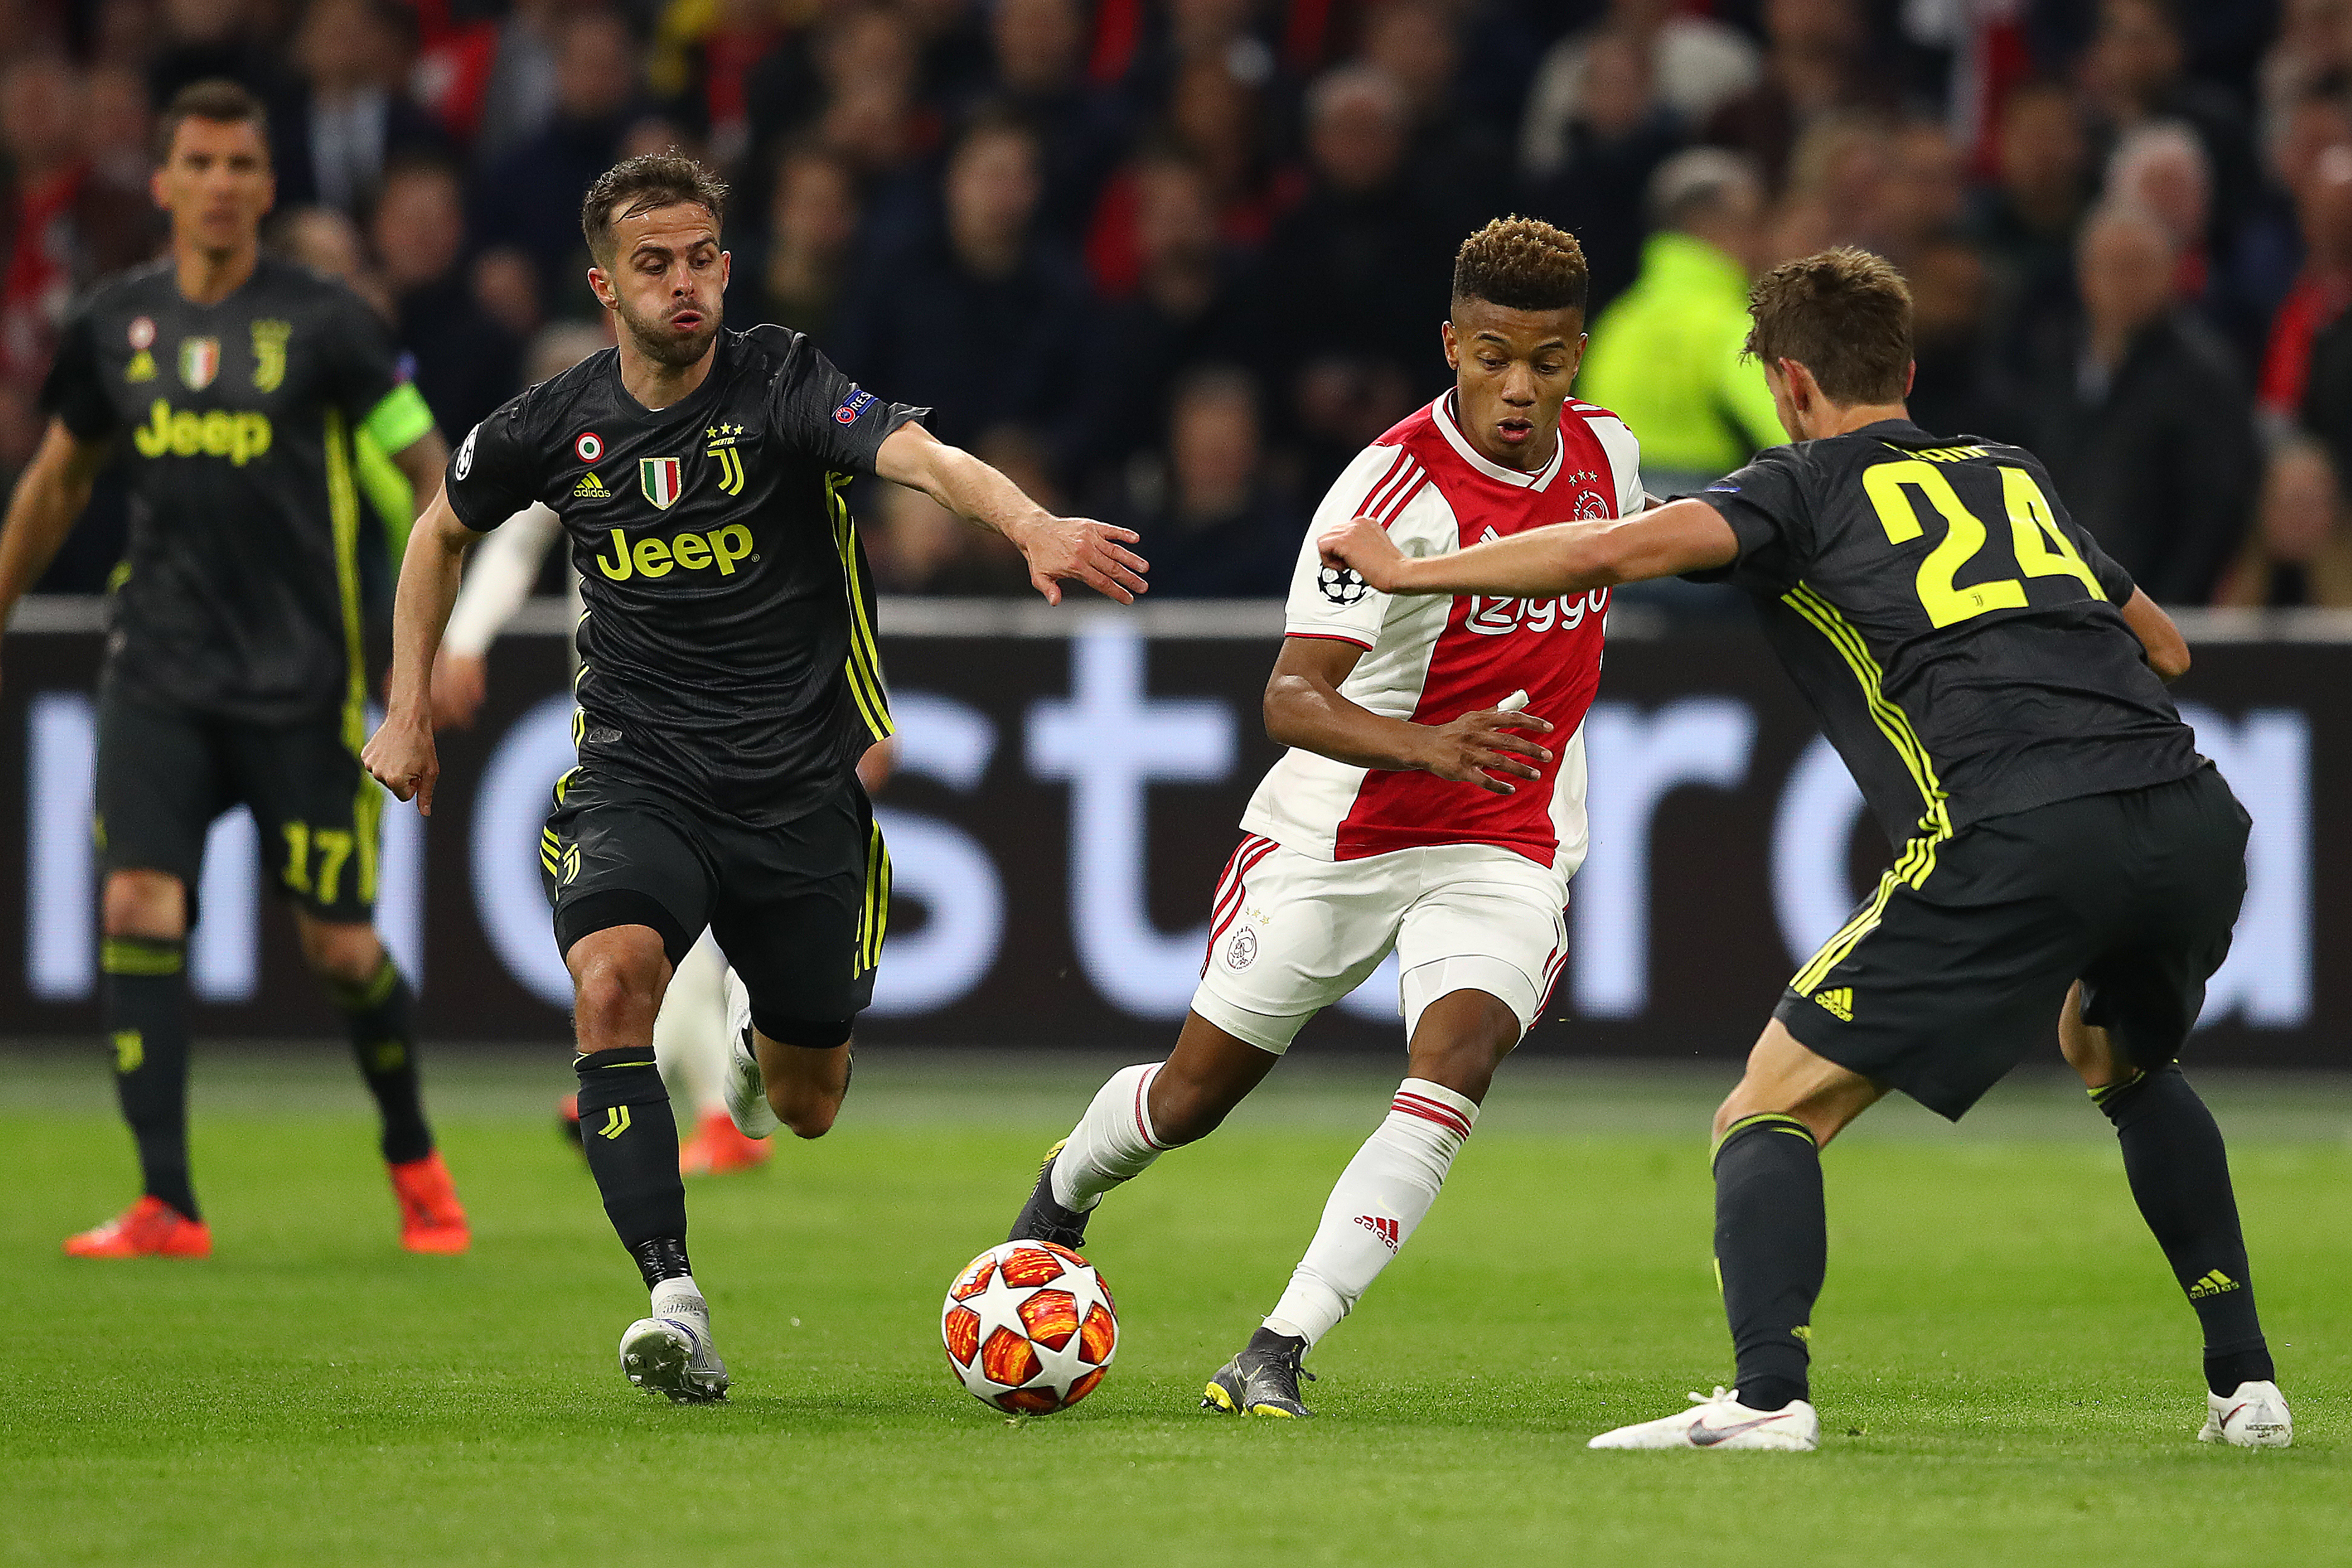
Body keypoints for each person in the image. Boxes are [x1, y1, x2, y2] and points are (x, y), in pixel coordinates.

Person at [1321, 246, 2292, 1452]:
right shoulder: (2010, 470)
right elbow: (2167, 647)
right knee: (2121, 1058)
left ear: (1788, 384)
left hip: (2015, 829)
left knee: (1765, 1110)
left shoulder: (1797, 486)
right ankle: (2247, 1387)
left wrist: (1412, 570)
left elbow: (1604, 550)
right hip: (2190, 814)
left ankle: (1769, 1398)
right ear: (1907, 371)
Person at [361, 151, 1144, 1402]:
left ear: (727, 265)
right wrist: (408, 709)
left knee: (806, 1099)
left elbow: (925, 457)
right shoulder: (554, 423)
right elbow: (437, 533)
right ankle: (675, 1302)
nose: (684, 283)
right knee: (611, 982)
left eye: (701, 259)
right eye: (653, 264)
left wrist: (1030, 524)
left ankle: (746, 1049)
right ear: (605, 286)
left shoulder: (783, 382)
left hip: (796, 789)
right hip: (640, 770)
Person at [1005, 217, 1646, 1418]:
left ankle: (1279, 1346)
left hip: (1505, 837)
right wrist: (1429, 744)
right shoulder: (1386, 492)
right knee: (1191, 1098)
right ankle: (1062, 1197)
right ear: (1450, 345)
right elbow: (1290, 698)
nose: (1520, 387)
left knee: (1457, 1061)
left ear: (1579, 355)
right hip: (1338, 834)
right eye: (1494, 357)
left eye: (1548, 360)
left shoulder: (1611, 455)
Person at [0, 80, 467, 1259]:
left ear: (267, 186)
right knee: (135, 899)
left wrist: (429, 649)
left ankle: (415, 1157)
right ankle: (167, 1201)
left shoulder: (330, 323)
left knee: (339, 948)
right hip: (156, 670)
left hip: (301, 686)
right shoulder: (113, 324)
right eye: (199, 163)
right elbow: (57, 483)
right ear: (162, 183)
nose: (219, 184)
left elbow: (434, 474)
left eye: (240, 165)